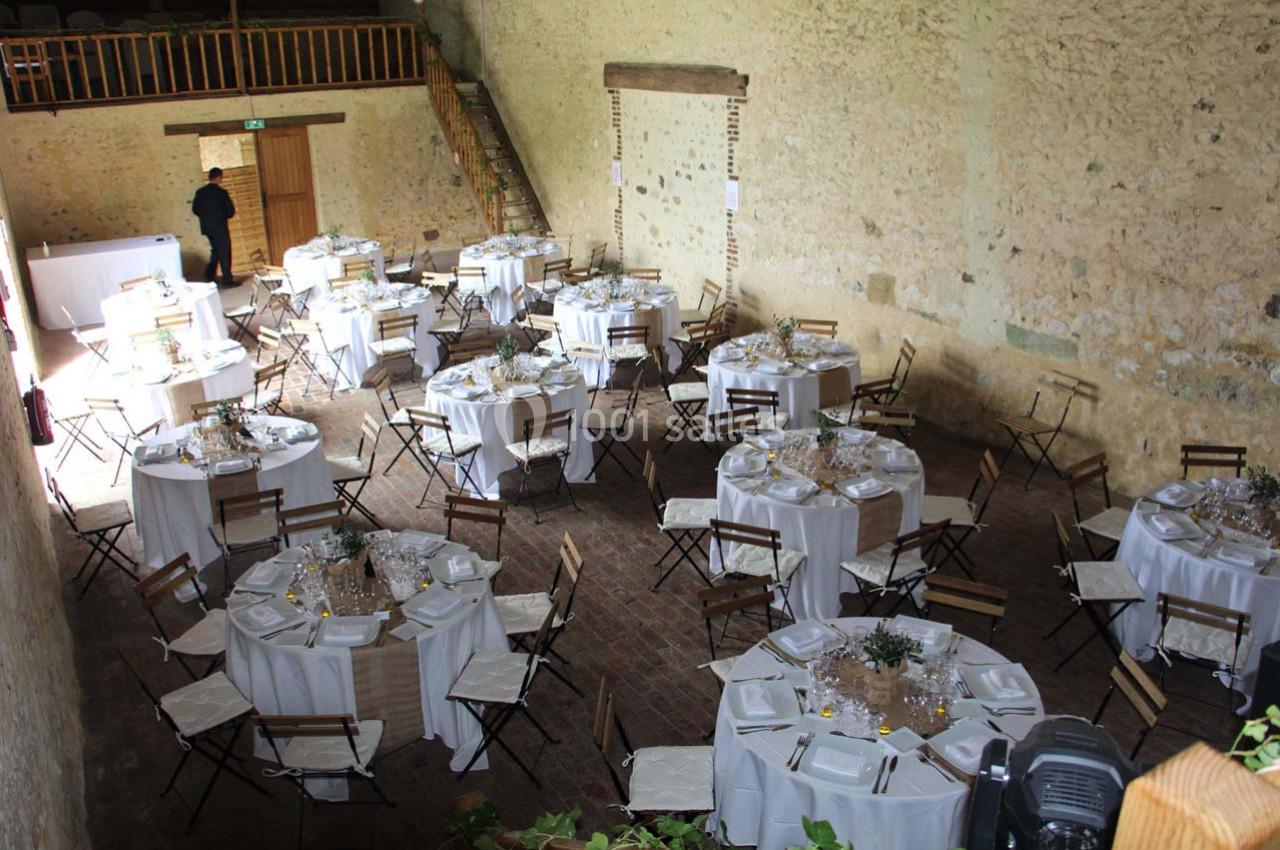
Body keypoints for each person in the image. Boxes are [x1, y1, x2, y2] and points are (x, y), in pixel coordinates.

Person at [191, 167, 238, 288]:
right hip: (220, 227)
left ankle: (209, 275)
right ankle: (227, 280)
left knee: (216, 250)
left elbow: (195, 209)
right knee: (224, 252)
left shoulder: (200, 192)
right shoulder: (222, 193)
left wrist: (206, 217)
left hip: (207, 228)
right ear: (218, 177)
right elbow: (230, 211)